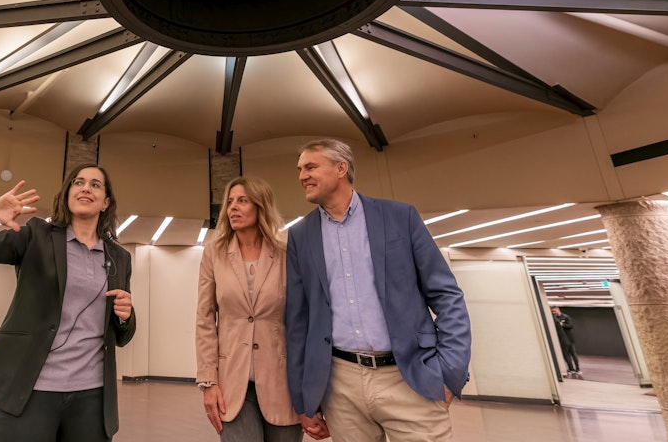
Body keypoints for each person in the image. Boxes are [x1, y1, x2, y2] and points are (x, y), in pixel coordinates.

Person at [284, 138, 472, 442]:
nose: (301, 175)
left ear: (341, 168)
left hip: (409, 377)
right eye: (299, 169)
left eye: (310, 166)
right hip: (340, 386)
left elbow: (447, 296)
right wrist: (304, 399)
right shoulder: (300, 236)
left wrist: (449, 370)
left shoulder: (400, 217)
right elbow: (297, 322)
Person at [0, 164, 136, 442]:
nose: (86, 188)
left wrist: (125, 316)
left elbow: (121, 335)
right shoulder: (36, 235)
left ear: (106, 202)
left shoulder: (119, 257)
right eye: (78, 182)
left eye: (95, 185)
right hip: (30, 389)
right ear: (67, 194)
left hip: (92, 397)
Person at [196, 176, 303, 441]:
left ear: (261, 205)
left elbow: (302, 320)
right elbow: (205, 319)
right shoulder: (214, 254)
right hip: (232, 384)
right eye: (230, 202)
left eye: (242, 200)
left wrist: (310, 386)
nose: (233, 207)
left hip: (282, 382)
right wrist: (209, 382)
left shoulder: (287, 253)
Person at [551, 306, 581, 378]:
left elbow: (571, 325)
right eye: (552, 312)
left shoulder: (566, 317)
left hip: (569, 339)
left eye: (555, 311)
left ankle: (578, 368)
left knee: (573, 354)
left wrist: (562, 325)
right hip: (562, 340)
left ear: (558, 310)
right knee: (566, 355)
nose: (554, 313)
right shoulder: (554, 319)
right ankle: (571, 369)